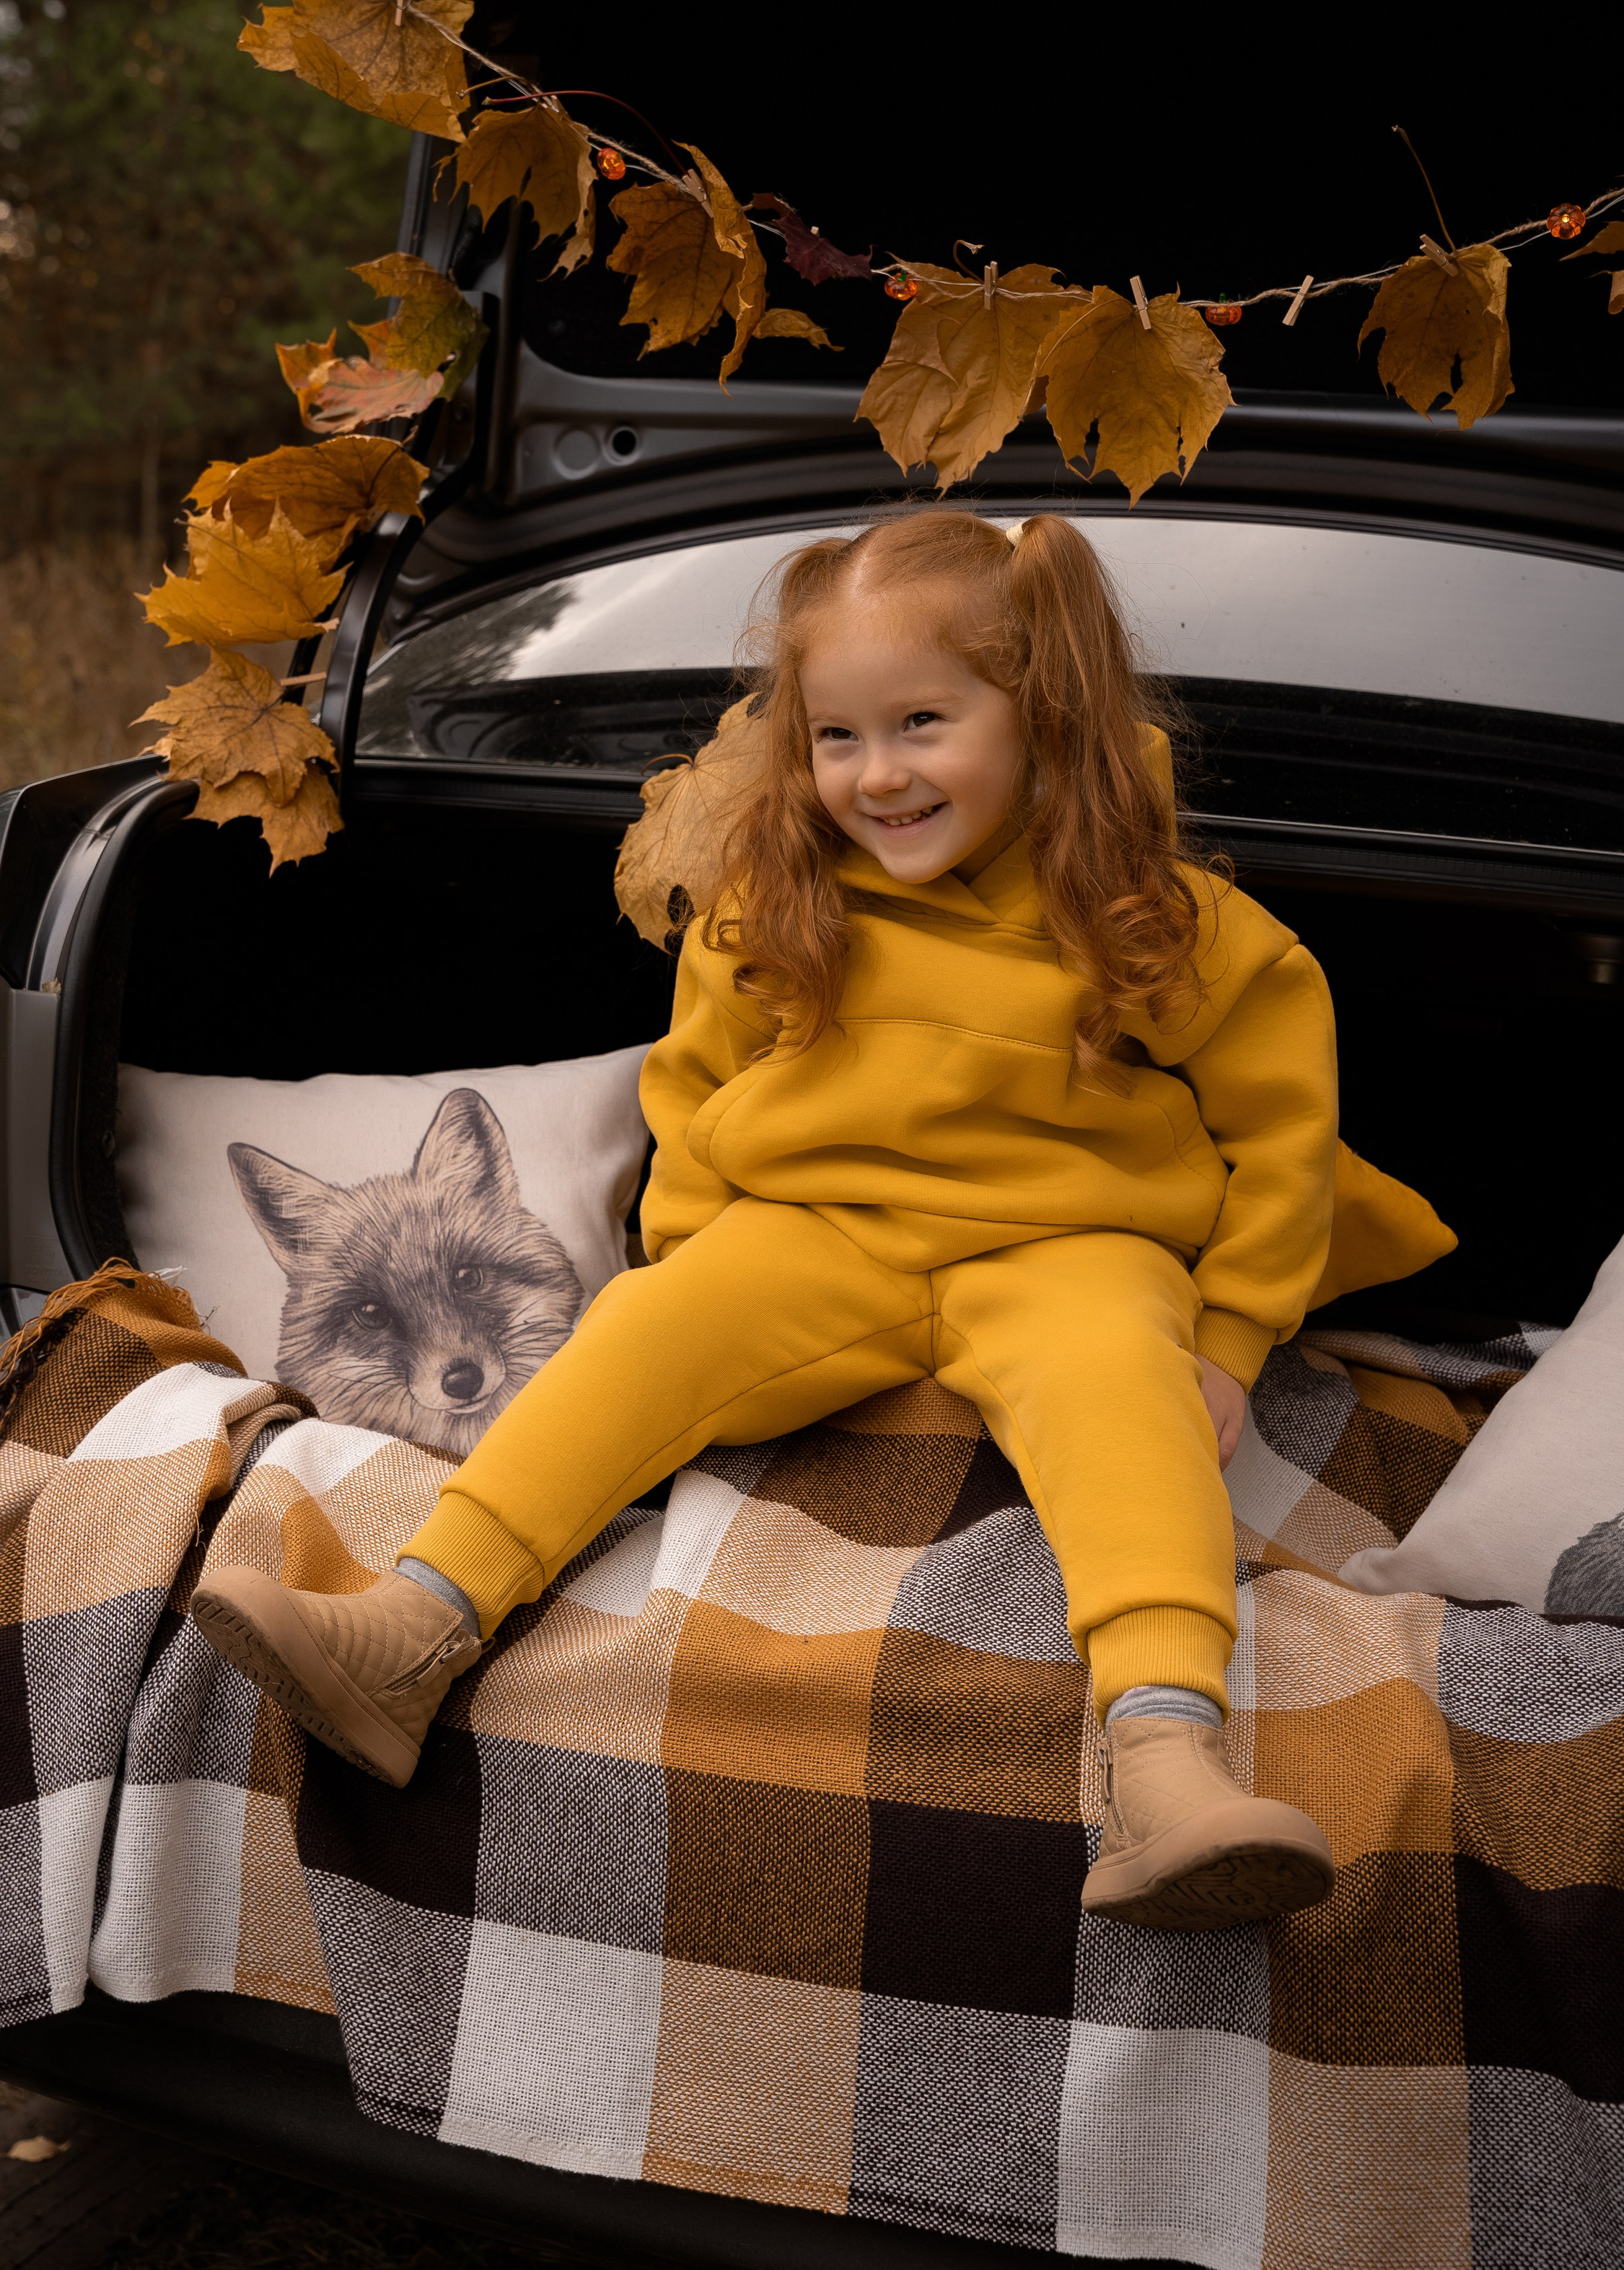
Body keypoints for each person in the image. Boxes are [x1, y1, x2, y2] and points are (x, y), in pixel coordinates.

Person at [194, 509, 1437, 1930]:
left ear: (1040, 712)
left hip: (1068, 1245)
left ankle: (1164, 1762)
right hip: (820, 1232)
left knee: (1124, 1398)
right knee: (646, 1328)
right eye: (835, 737)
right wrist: (691, 1260)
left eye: (920, 722)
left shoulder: (1159, 919)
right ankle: (410, 1628)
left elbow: (1280, 1143)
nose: (877, 775)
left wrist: (1220, 1340)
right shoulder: (769, 903)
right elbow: (696, 1092)